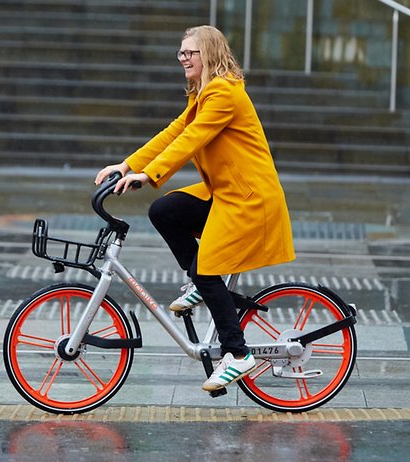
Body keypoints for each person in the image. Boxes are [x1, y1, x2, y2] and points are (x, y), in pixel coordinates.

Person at [95, 25, 295, 392]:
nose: (183, 58)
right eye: (181, 52)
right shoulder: (202, 94)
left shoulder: (223, 94)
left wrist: (147, 175)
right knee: (165, 211)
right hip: (226, 194)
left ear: (211, 54)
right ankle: (204, 284)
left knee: (206, 269)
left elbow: (192, 140)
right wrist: (126, 166)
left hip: (249, 201)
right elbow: (174, 132)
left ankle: (238, 354)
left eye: (191, 52)